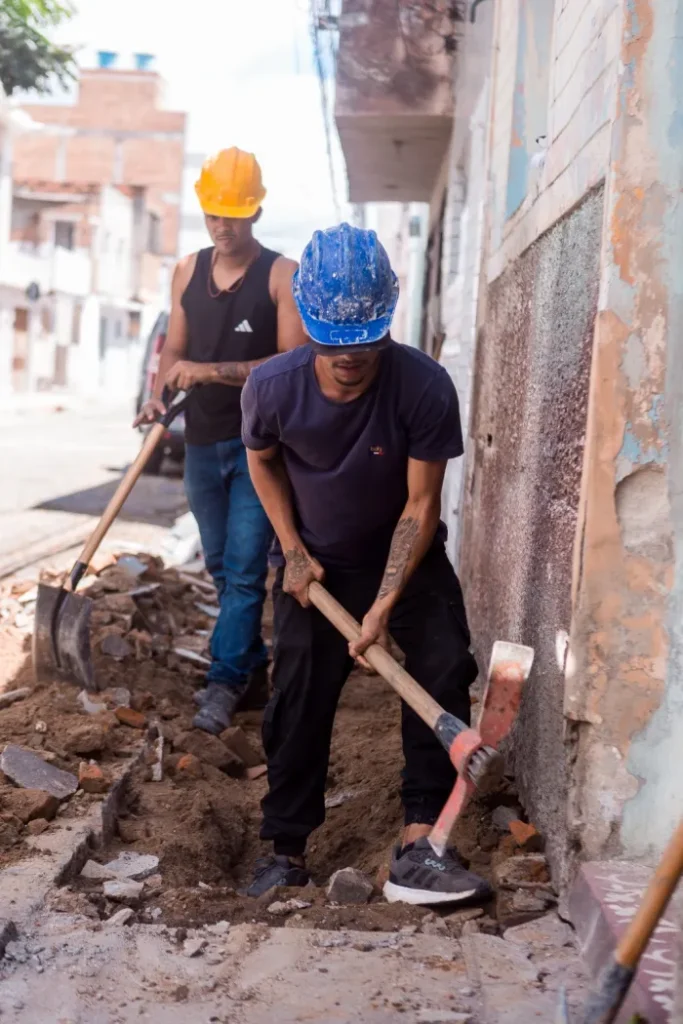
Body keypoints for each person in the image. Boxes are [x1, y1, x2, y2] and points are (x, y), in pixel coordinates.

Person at [239, 223, 491, 906]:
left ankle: (420, 843)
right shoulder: (271, 386)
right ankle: (285, 847)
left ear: (388, 317)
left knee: (441, 663)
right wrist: (291, 551)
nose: (348, 359)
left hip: (402, 555)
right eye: (331, 344)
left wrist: (382, 608)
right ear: (308, 323)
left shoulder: (424, 386)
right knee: (297, 689)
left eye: (364, 344)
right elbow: (261, 461)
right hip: (311, 561)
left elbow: (419, 505)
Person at [134, 147, 306, 734]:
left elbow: (292, 362)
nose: (222, 226)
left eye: (233, 214)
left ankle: (222, 682)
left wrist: (210, 372)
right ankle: (252, 670)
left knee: (244, 570)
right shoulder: (186, 269)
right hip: (202, 442)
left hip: (259, 447)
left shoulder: (281, 275)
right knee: (219, 566)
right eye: (213, 214)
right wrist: (158, 394)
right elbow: (174, 350)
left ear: (255, 212)